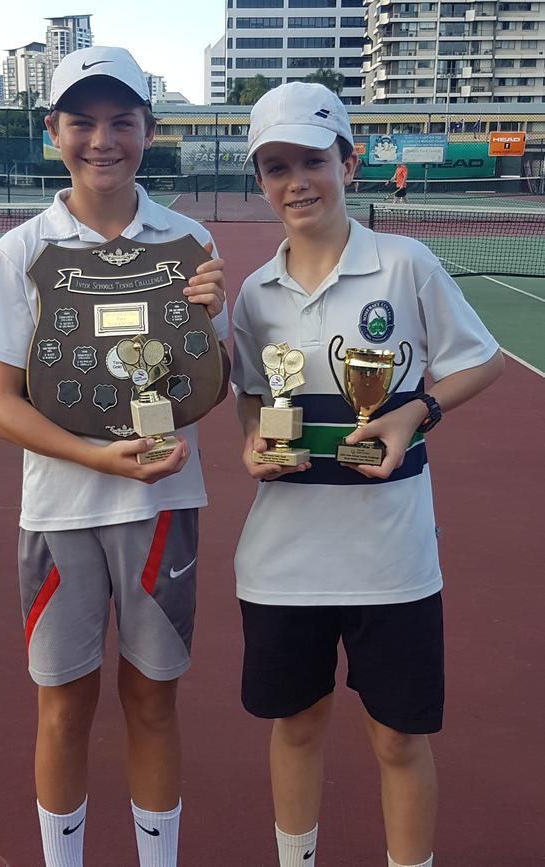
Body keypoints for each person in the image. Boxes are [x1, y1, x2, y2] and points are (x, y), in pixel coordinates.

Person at [231, 81, 504, 867]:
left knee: (397, 737)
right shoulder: (254, 294)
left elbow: (479, 361)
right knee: (299, 725)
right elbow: (253, 395)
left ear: (348, 161)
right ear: (261, 180)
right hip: (282, 563)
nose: (297, 182)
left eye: (313, 160)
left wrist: (415, 411)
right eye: (276, 166)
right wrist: (256, 443)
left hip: (393, 560)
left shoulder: (406, 265)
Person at [0, 46, 229, 867]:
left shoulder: (189, 240)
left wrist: (207, 328)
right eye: (81, 120)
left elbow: (210, 388)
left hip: (161, 506)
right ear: (53, 132)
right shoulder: (21, 250)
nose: (102, 138)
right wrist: (99, 459)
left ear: (148, 131)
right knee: (63, 708)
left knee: (153, 703)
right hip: (60, 511)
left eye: (121, 120)